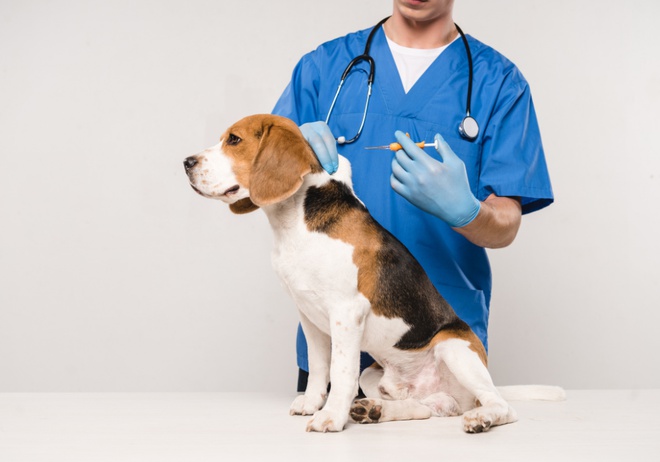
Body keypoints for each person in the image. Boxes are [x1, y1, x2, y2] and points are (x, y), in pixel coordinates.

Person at [272, 0, 553, 392]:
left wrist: (467, 211)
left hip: (436, 342)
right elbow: (265, 185)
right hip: (337, 345)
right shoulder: (324, 69)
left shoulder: (499, 83)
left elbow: (505, 226)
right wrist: (285, 160)